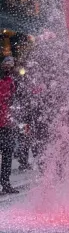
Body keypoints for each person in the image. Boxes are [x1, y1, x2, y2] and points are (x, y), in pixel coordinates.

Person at [0, 55, 18, 195]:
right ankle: (5, 183)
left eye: (10, 63)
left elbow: (14, 97)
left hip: (7, 122)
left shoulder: (12, 78)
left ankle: (5, 183)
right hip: (4, 121)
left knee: (7, 153)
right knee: (6, 152)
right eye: (5, 63)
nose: (8, 66)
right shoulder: (7, 79)